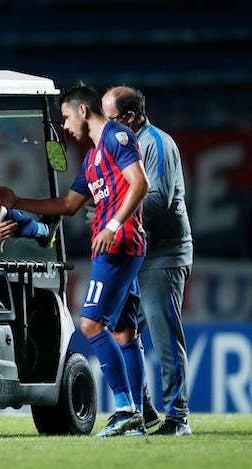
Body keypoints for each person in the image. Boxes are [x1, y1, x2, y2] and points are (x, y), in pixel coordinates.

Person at [0, 84, 149, 437]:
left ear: (82, 111)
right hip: (114, 244)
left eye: (64, 116)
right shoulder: (91, 159)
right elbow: (68, 206)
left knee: (90, 325)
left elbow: (140, 183)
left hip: (118, 244)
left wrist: (113, 224)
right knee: (123, 331)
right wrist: (16, 201)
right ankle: (141, 413)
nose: (64, 126)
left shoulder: (117, 137)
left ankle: (125, 409)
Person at [102, 86, 193, 436]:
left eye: (110, 120)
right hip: (137, 251)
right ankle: (145, 409)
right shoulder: (126, 145)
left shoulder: (156, 143)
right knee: (123, 328)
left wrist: (114, 215)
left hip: (164, 254)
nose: (106, 129)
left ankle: (178, 418)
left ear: (128, 117)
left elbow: (157, 201)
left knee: (164, 335)